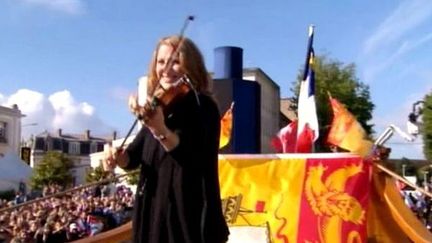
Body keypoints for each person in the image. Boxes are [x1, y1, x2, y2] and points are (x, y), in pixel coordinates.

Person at [104, 35, 229, 243]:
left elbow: (192, 159)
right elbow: (132, 158)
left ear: (191, 65)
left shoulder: (203, 106)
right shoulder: (157, 107)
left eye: (175, 61)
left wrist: (159, 128)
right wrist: (117, 157)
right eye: (161, 62)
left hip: (187, 212)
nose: (166, 68)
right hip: (153, 211)